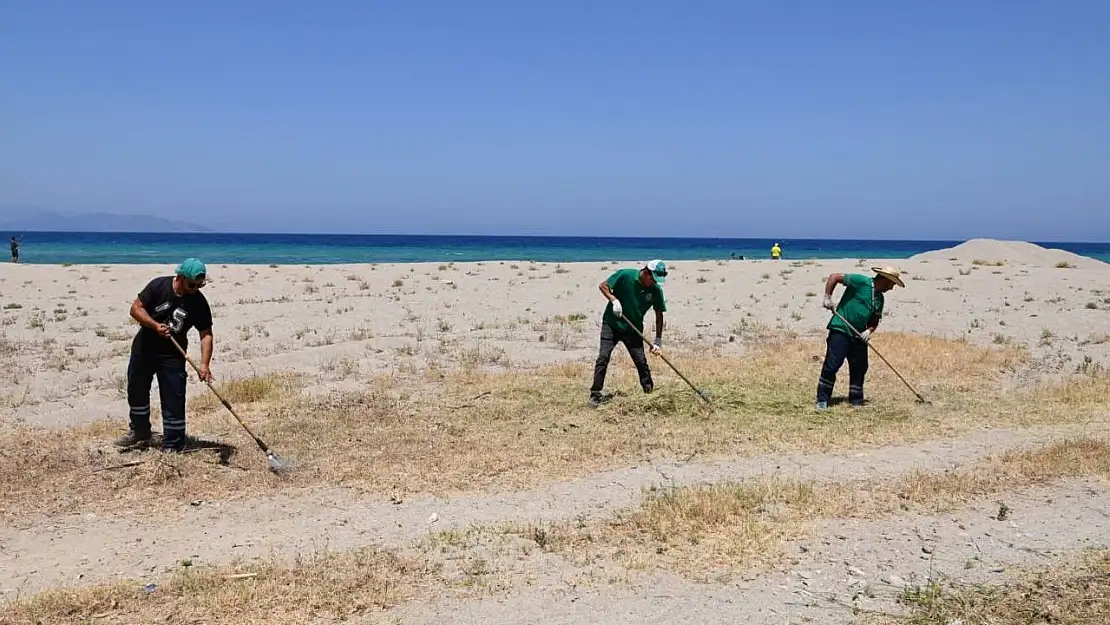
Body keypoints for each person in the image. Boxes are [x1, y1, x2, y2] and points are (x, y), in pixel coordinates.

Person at [115, 258, 215, 452]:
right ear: (180, 276)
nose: (196, 288)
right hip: (144, 348)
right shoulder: (158, 286)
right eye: (192, 284)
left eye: (200, 284)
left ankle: (174, 443)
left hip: (173, 356)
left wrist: (204, 364)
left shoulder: (199, 301)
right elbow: (135, 309)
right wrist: (154, 326)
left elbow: (206, 334)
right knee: (137, 391)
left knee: (173, 398)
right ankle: (140, 431)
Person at [815, 266, 904, 410]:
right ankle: (822, 399)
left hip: (858, 335)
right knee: (833, 364)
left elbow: (874, 321)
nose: (892, 288)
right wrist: (827, 297)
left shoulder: (879, 299)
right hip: (841, 329)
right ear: (885, 280)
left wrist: (868, 331)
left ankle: (856, 399)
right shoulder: (862, 282)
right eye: (892, 284)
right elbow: (834, 277)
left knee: (860, 367)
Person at [589, 259, 668, 407]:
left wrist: (658, 340)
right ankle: (595, 394)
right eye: (652, 278)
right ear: (645, 272)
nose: (653, 282)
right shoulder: (625, 275)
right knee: (603, 357)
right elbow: (603, 286)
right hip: (611, 324)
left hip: (633, 329)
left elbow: (659, 314)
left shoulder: (656, 290)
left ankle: (649, 392)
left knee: (641, 361)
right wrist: (614, 300)